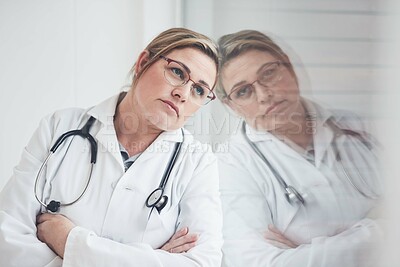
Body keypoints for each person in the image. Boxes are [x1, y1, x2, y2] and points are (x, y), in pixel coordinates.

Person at [0, 27, 223, 266]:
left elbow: (201, 263)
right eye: (177, 72)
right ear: (143, 63)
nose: (183, 94)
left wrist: (69, 242)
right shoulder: (59, 127)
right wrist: (153, 258)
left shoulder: (197, 162)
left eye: (199, 90)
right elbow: (8, 237)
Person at [215, 29, 384, 266]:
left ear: (289, 66)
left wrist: (305, 252)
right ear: (231, 106)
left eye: (269, 73)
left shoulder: (361, 128)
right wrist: (381, 230)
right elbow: (260, 263)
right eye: (243, 91)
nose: (264, 95)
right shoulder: (230, 167)